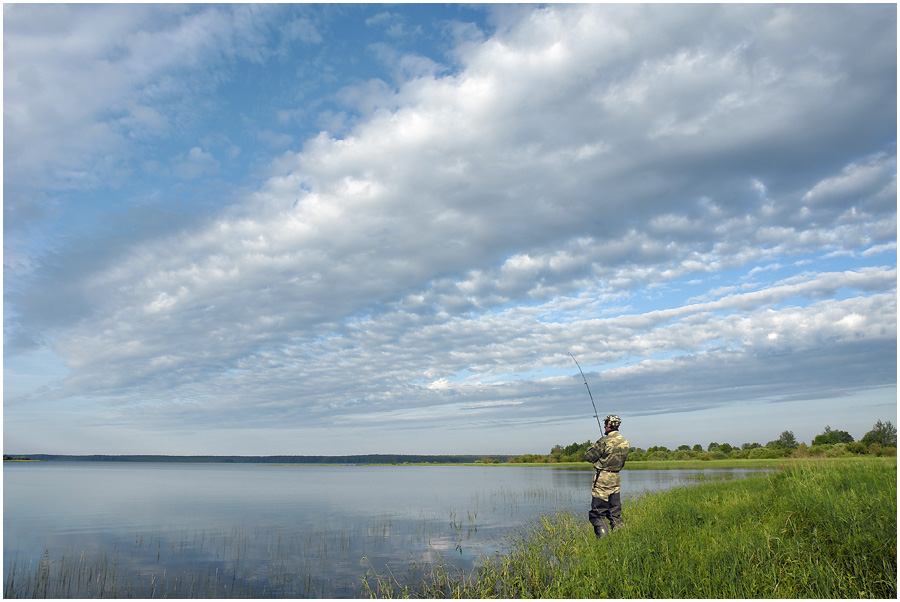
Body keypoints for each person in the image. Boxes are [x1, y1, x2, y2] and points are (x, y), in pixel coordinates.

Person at [584, 414, 630, 538]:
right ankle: (621, 538)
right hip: (616, 479)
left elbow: (589, 457)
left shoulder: (604, 441)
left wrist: (594, 445)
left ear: (609, 425)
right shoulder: (625, 442)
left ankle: (603, 542)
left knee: (598, 513)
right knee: (614, 513)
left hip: (603, 479)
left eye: (605, 424)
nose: (604, 426)